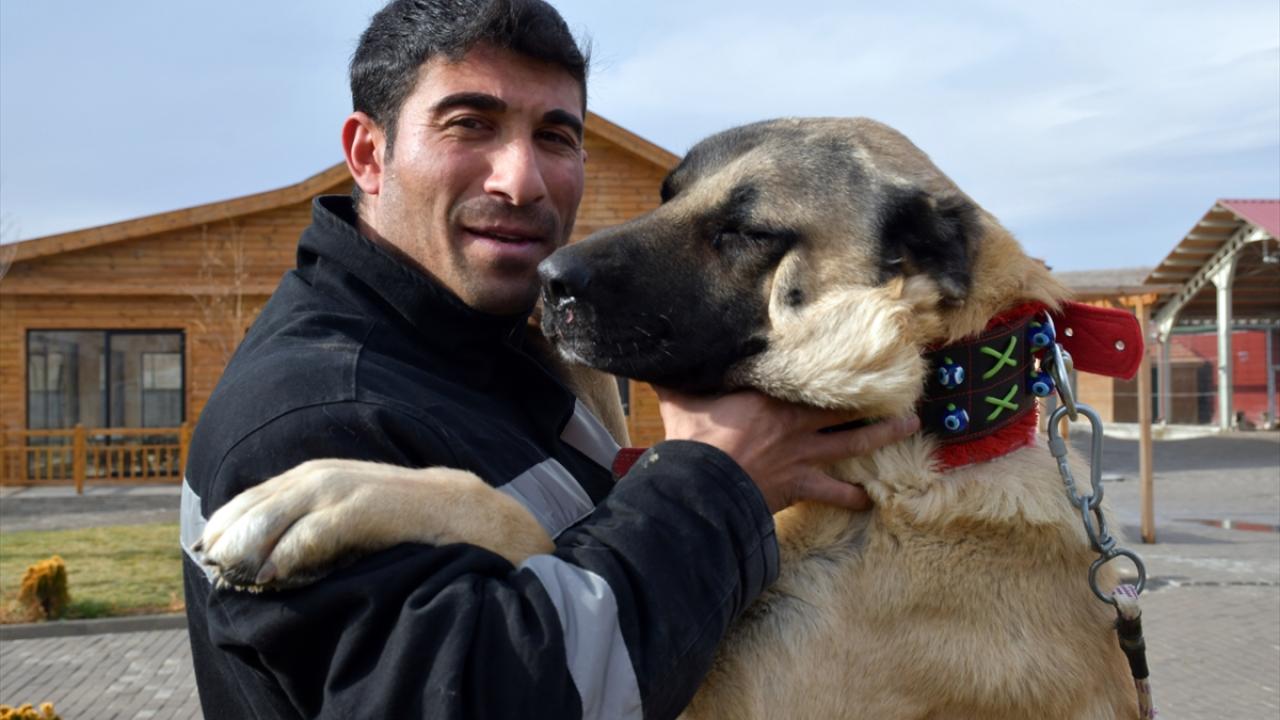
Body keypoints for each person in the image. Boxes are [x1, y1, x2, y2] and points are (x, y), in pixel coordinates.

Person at [180, 1, 919, 718]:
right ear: (369, 155)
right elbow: (491, 693)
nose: (521, 181)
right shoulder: (312, 418)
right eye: (470, 124)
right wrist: (714, 482)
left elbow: (570, 558)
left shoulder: (499, 345)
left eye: (556, 136)